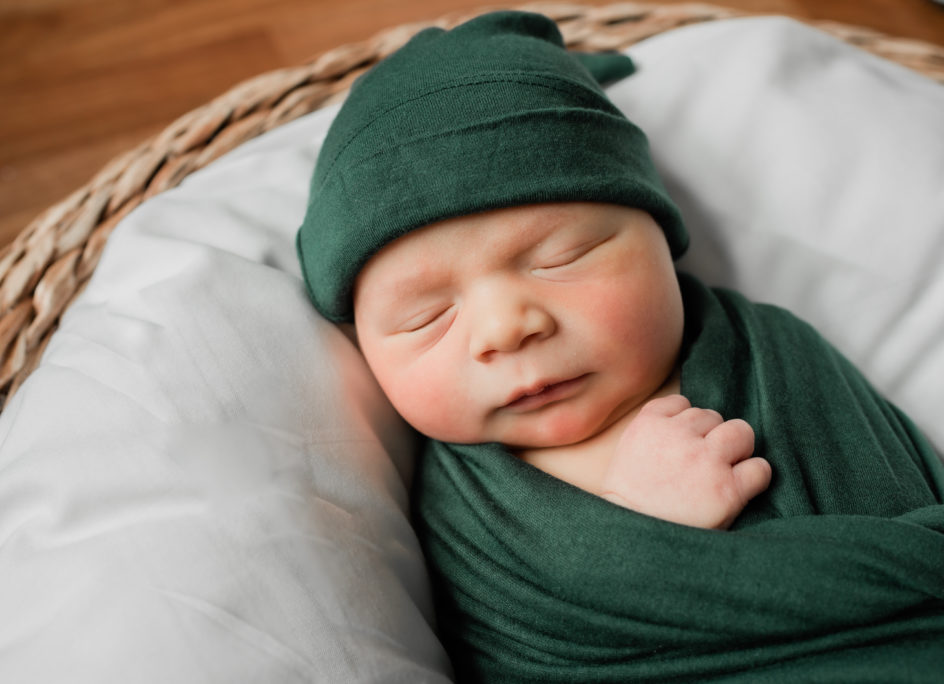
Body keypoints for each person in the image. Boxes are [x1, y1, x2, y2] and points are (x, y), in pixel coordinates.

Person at [296, 10, 944, 682]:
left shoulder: (771, 358)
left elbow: (908, 555)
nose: (505, 328)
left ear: (665, 239)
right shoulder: (462, 517)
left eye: (562, 255)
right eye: (426, 315)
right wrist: (648, 533)